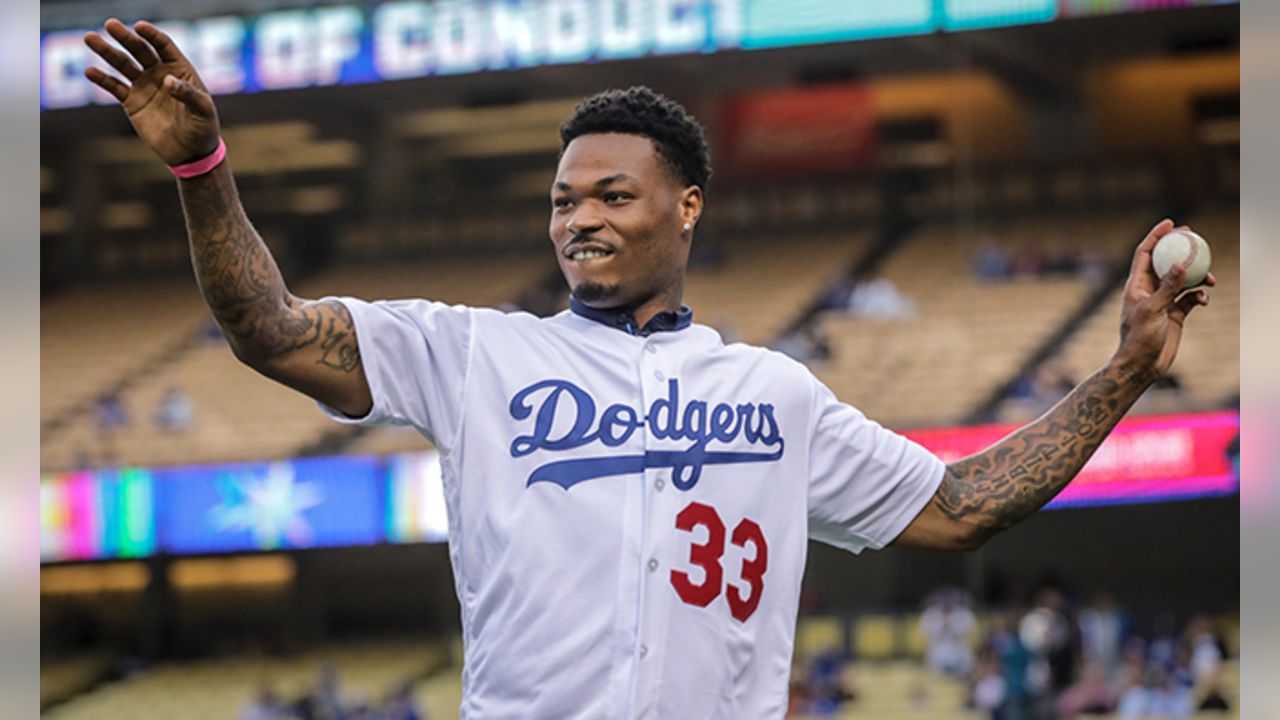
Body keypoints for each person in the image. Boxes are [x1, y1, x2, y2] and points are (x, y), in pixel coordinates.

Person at [84, 19, 1214, 718]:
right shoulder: (473, 352)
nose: (578, 219)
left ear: (686, 208)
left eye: (610, 196)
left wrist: (1120, 371)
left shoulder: (771, 393)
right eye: (562, 200)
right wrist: (205, 173)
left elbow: (962, 504)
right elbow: (271, 330)